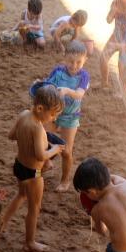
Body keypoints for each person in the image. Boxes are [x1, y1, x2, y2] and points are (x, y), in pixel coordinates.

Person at [0, 85, 65, 252]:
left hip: (19, 165)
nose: (54, 118)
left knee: (21, 195)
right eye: (52, 114)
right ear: (40, 108)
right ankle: (30, 242)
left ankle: (0, 224)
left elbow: (11, 135)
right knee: (34, 208)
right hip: (33, 173)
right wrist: (54, 149)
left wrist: (26, 140)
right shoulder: (37, 127)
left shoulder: (23, 115)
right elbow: (40, 156)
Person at [33, 41, 90, 192]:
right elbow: (49, 86)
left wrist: (66, 90)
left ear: (85, 60)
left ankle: (65, 181)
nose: (74, 65)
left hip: (70, 117)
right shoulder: (58, 71)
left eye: (79, 62)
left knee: (66, 151)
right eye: (71, 61)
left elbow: (79, 95)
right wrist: (41, 84)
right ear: (64, 58)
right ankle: (47, 164)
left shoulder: (83, 76)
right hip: (52, 114)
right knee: (43, 140)